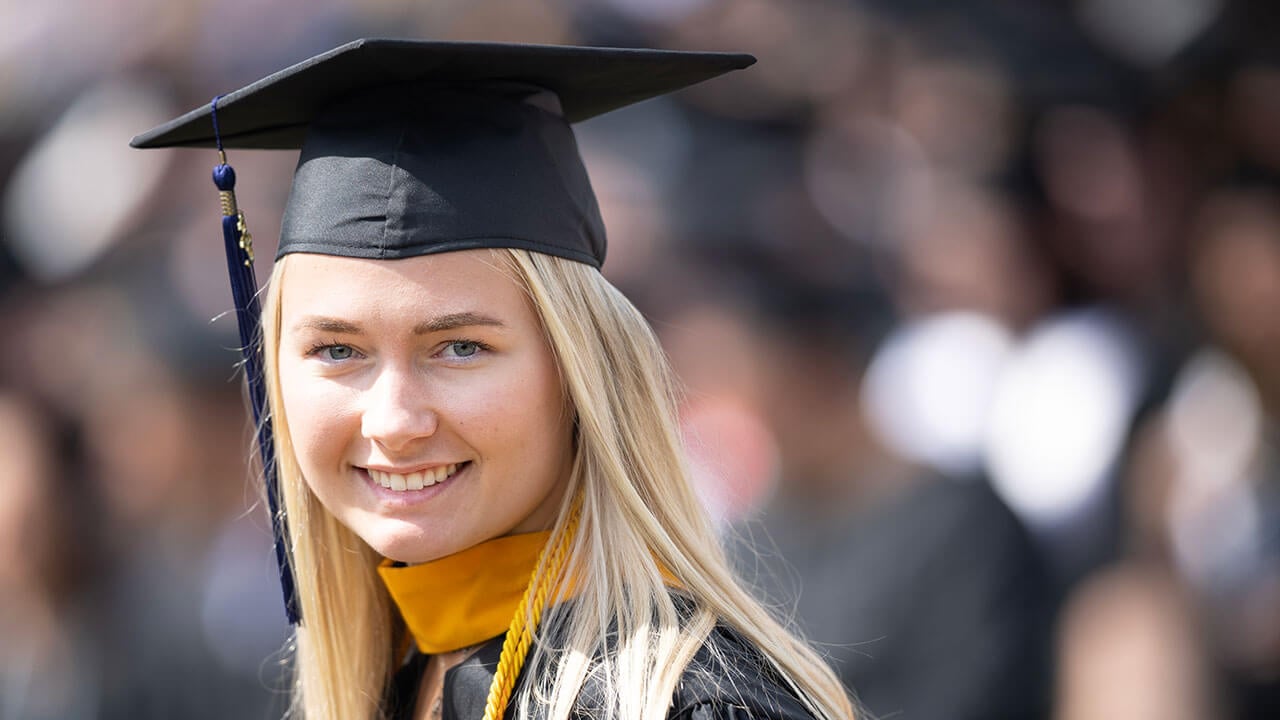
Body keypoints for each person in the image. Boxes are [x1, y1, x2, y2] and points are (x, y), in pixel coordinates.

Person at [133, 39, 855, 720]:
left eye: (460, 348)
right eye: (336, 350)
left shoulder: (683, 703)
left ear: (580, 373)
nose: (392, 420)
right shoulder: (403, 680)